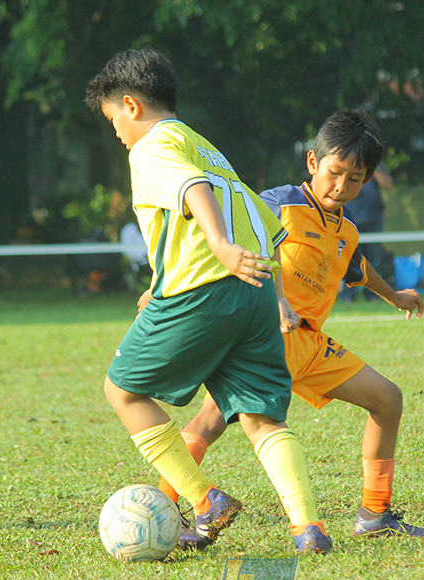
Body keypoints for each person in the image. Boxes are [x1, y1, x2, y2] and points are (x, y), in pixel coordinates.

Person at [84, 48, 332, 554]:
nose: (116, 133)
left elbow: (193, 190)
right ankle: (309, 529)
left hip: (205, 288)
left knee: (122, 392)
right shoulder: (206, 147)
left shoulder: (151, 146)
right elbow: (265, 225)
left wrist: (217, 248)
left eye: (112, 119)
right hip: (256, 290)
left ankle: (203, 500)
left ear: (131, 105)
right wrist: (276, 298)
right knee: (263, 419)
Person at [159, 109, 424, 543]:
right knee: (210, 421)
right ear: (313, 163)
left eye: (355, 179)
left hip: (309, 345)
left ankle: (375, 514)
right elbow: (236, 238)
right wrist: (277, 299)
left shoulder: (346, 230)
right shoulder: (277, 203)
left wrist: (395, 296)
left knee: (387, 400)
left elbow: (355, 267)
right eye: (335, 172)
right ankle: (163, 510)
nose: (342, 186)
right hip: (263, 338)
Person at [340, 161, 393, 301]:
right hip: (352, 220)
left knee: (374, 260)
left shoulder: (375, 164)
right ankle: (348, 296)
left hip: (374, 219)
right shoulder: (346, 161)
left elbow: (388, 185)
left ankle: (372, 296)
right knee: (349, 260)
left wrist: (374, 170)